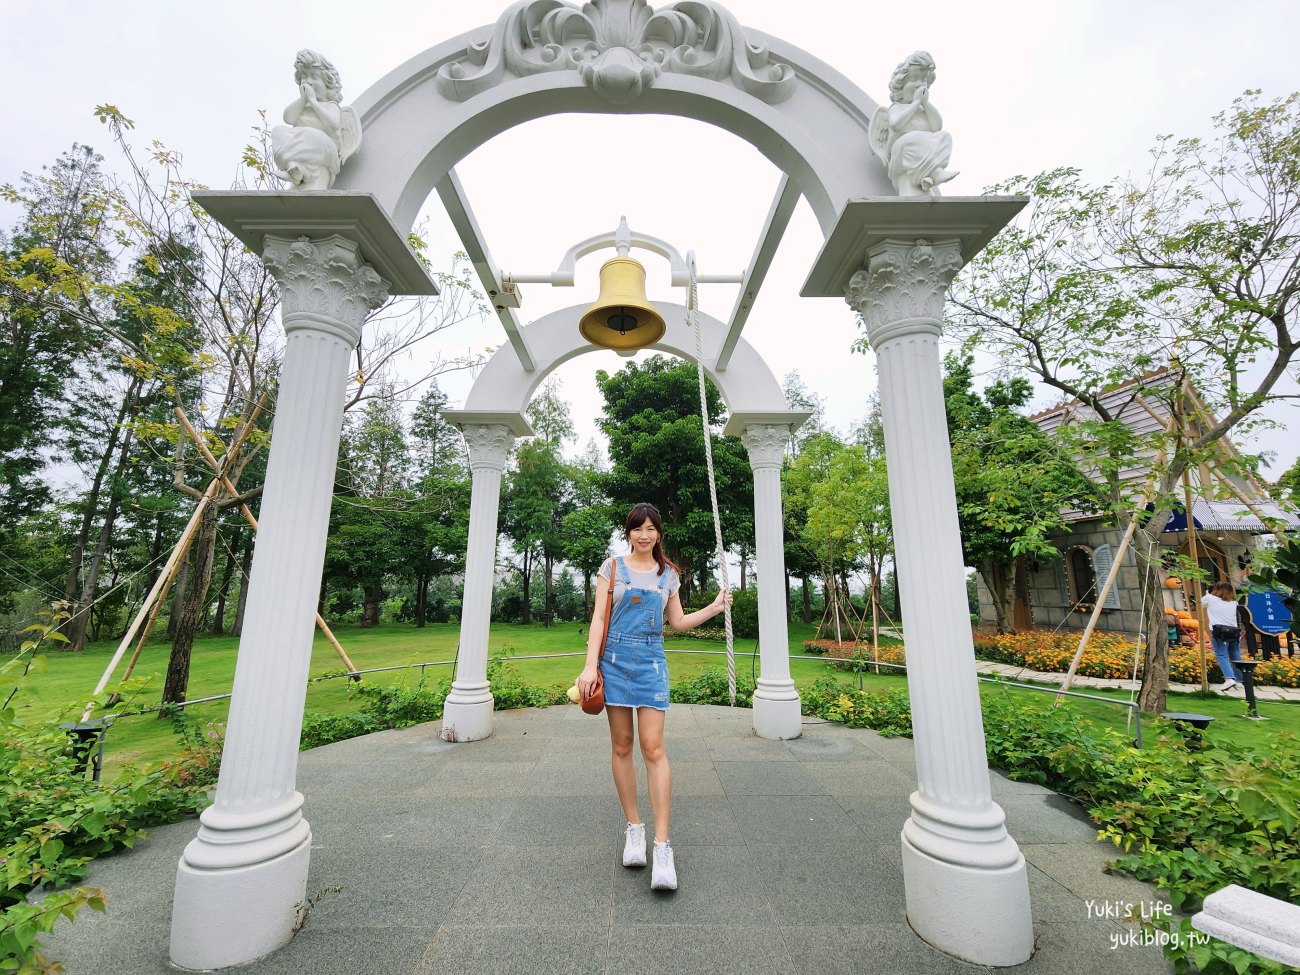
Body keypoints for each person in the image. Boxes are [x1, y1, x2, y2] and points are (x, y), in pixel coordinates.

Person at [576, 503, 731, 891]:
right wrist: (589, 665)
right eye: (636, 529)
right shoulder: (611, 569)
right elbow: (598, 618)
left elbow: (676, 623)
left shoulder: (669, 576)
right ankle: (634, 829)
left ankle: (662, 846)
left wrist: (713, 608)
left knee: (654, 748)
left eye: (650, 528)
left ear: (659, 533)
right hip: (612, 659)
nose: (644, 535)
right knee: (623, 745)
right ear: (628, 532)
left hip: (651, 662)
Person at [1202, 581, 1244, 691]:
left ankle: (1229, 678)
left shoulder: (1210, 598)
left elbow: (1200, 603)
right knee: (1236, 656)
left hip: (1219, 631)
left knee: (1222, 655)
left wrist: (1207, 594)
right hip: (1234, 632)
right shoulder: (1234, 603)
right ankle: (1239, 680)